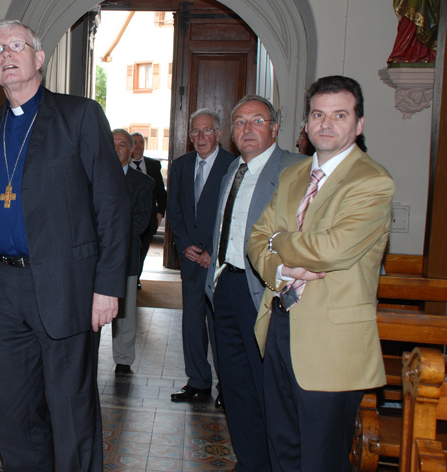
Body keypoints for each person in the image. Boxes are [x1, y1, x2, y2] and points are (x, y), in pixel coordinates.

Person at [0, 19, 129, 472]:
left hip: (65, 284)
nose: (6, 54)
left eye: (16, 45)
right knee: (15, 412)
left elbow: (111, 206)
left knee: (71, 409)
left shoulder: (79, 115)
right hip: (0, 289)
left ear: (39, 59)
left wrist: (108, 286)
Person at [247, 76, 394, 471]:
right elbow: (255, 239)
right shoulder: (295, 174)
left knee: (320, 460)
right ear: (307, 124)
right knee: (282, 450)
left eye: (339, 115)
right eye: (318, 115)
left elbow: (332, 249)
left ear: (358, 125)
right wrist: (279, 265)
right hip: (280, 324)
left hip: (331, 343)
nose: (326, 124)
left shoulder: (372, 181)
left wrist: (280, 238)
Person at [204, 95, 304, 472]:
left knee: (268, 389)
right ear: (232, 133)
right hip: (226, 287)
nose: (247, 129)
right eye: (240, 123)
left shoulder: (295, 168)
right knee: (235, 386)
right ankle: (250, 462)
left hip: (263, 291)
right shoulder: (233, 170)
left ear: (275, 128)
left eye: (257, 121)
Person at [166, 109, 235, 405]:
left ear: (218, 134)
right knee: (192, 322)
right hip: (191, 259)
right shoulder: (180, 166)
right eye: (195, 132)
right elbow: (175, 210)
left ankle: (228, 388)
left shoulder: (233, 165)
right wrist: (183, 245)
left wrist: (214, 252)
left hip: (219, 263)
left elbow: (232, 215)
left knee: (219, 324)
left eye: (207, 131)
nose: (200, 137)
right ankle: (198, 380)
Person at [112, 129, 153, 375]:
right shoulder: (91, 178)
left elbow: (140, 222)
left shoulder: (143, 183)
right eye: (112, 144)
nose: (116, 149)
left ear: (131, 150)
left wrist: (108, 239)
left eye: (121, 145)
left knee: (125, 311)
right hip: (92, 258)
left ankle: (123, 359)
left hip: (125, 255)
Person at [129, 131, 167, 287]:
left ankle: (136, 278)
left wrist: (160, 212)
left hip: (148, 218)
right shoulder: (121, 165)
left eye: (141, 142)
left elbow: (160, 191)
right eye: (135, 142)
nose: (138, 146)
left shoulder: (153, 165)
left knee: (143, 250)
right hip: (128, 218)